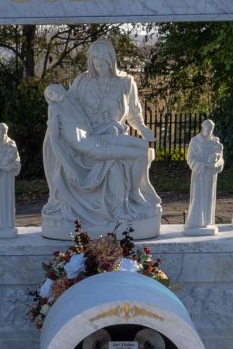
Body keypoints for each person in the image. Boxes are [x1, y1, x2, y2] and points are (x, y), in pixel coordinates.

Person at [40, 84, 161, 240]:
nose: (55, 94)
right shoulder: (55, 109)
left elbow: (88, 129)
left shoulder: (74, 104)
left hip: (96, 138)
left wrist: (109, 125)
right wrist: (69, 168)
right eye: (50, 94)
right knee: (138, 155)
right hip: (91, 149)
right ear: (50, 100)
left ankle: (139, 191)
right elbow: (55, 142)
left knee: (143, 146)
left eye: (55, 89)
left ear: (62, 88)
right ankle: (135, 193)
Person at [184, 120, 224, 236]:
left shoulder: (215, 142)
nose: (210, 131)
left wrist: (217, 163)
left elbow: (221, 158)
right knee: (198, 197)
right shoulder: (195, 141)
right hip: (200, 173)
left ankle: (206, 221)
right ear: (203, 128)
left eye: (211, 129)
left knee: (208, 197)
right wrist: (202, 165)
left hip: (211, 175)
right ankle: (195, 222)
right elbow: (190, 159)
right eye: (208, 129)